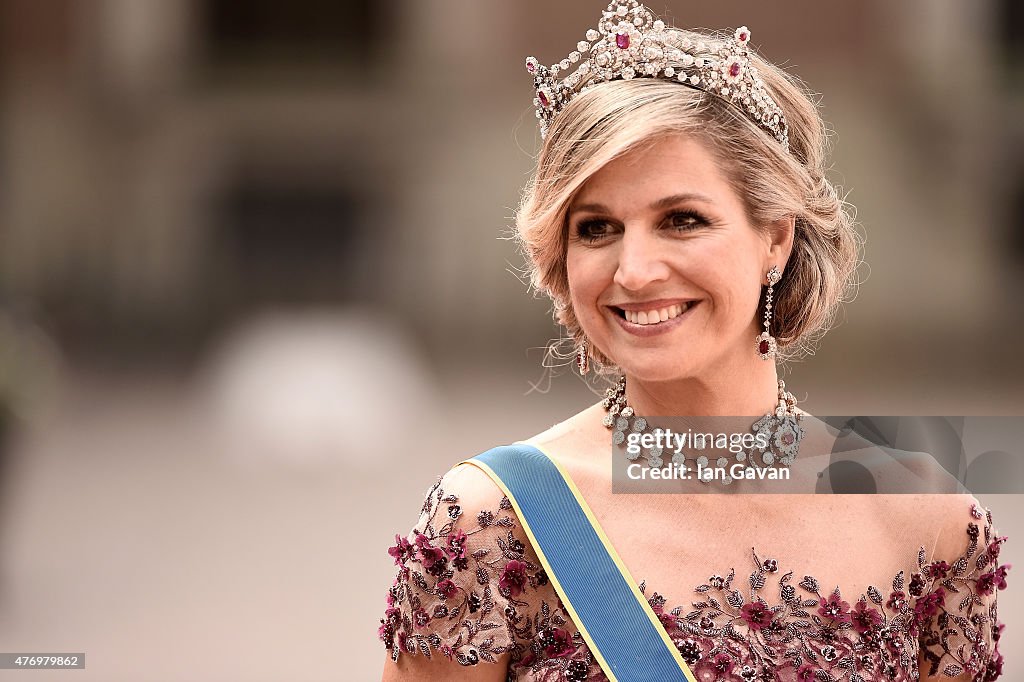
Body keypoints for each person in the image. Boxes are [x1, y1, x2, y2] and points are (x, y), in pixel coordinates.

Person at [377, 3, 1010, 680]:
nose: (634, 270)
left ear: (776, 236)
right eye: (596, 228)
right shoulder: (491, 524)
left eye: (682, 219)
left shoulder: (927, 520)